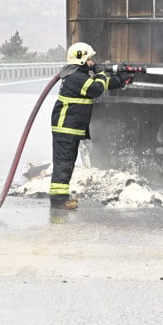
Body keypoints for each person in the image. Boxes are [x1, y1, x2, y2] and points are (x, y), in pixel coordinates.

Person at [49, 42, 134, 209]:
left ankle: (60, 199)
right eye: (89, 59)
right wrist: (101, 72)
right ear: (81, 60)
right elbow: (96, 88)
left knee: (67, 164)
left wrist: (120, 79)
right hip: (65, 128)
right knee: (63, 164)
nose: (92, 62)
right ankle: (58, 202)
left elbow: (102, 85)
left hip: (70, 128)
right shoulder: (75, 77)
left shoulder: (79, 76)